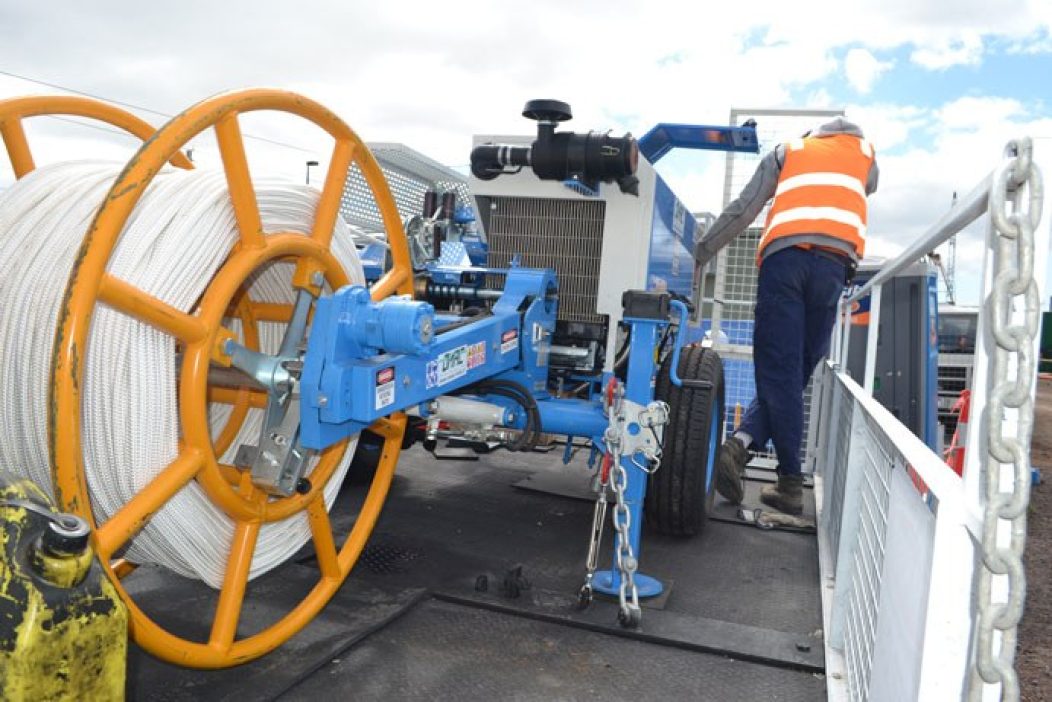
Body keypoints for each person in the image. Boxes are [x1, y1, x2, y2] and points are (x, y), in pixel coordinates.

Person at [694, 116, 878, 515]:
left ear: (816, 136)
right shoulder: (865, 155)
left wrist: (701, 253)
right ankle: (739, 446)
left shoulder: (789, 151)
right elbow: (870, 185)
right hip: (833, 269)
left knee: (781, 373)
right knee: (794, 376)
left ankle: (789, 483)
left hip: (785, 263)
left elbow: (745, 209)